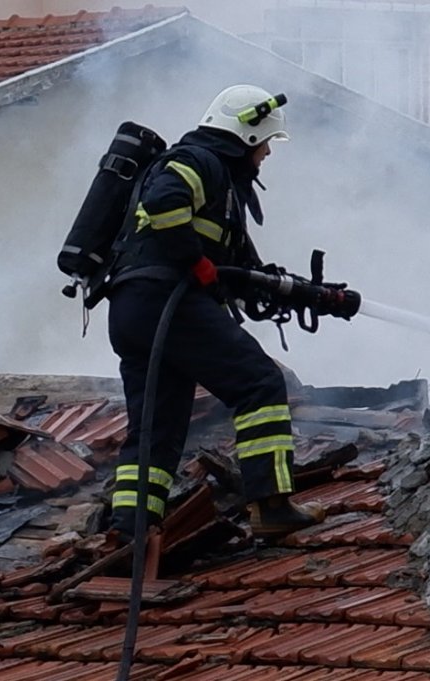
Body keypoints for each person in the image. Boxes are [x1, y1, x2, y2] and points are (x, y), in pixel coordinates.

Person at [105, 84, 326, 542]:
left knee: (156, 429)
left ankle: (131, 531)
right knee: (260, 382)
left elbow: (240, 272)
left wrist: (314, 297)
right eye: (265, 142)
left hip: (131, 311)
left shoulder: (219, 184)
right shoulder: (198, 161)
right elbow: (164, 205)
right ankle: (270, 504)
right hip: (169, 301)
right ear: (245, 136)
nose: (266, 153)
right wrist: (196, 262)